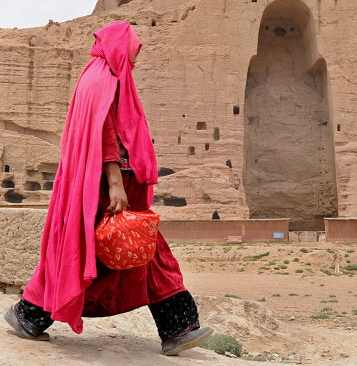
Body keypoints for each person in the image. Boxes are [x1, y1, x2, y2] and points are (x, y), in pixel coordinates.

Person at [3, 21, 213, 356]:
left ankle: (30, 314)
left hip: (100, 187)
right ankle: (177, 326)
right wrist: (116, 185)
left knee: (96, 251)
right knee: (143, 249)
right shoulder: (104, 81)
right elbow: (104, 136)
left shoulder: (98, 77)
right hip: (103, 190)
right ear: (118, 48)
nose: (135, 60)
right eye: (132, 52)